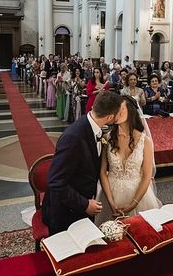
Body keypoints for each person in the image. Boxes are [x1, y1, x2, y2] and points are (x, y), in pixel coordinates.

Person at [43, 91, 125, 234]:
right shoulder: (74, 138)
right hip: (65, 213)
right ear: (110, 117)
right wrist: (84, 204)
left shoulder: (94, 127)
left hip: (80, 206)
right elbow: (55, 181)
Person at [96, 96, 161, 224]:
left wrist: (133, 204)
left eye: (121, 109)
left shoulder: (145, 141)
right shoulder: (107, 138)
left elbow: (147, 175)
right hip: (112, 194)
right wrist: (111, 202)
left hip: (139, 195)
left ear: (130, 111)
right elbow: (103, 172)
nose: (117, 113)